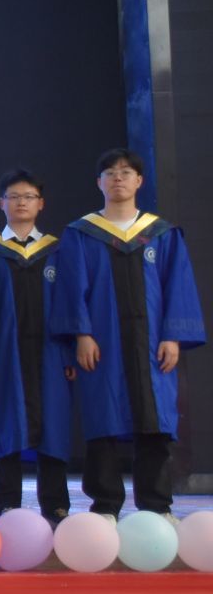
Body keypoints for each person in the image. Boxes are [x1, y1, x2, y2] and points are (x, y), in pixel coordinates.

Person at [50, 147, 205, 517]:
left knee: (155, 423)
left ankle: (156, 506)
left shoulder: (162, 234)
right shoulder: (81, 233)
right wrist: (81, 334)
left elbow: (177, 286)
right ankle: (105, 504)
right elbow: (72, 287)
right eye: (110, 173)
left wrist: (172, 336)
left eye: (125, 172)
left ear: (139, 181)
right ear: (99, 182)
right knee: (102, 421)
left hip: (152, 345)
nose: (118, 178)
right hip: (102, 343)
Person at [0, 170, 75, 519]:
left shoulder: (57, 250)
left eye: (29, 196)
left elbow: (70, 303)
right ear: (1, 203)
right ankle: (7, 504)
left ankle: (56, 504)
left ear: (41, 204)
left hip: (51, 351)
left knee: (54, 426)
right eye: (14, 196)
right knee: (5, 423)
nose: (21, 202)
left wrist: (69, 351)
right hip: (5, 352)